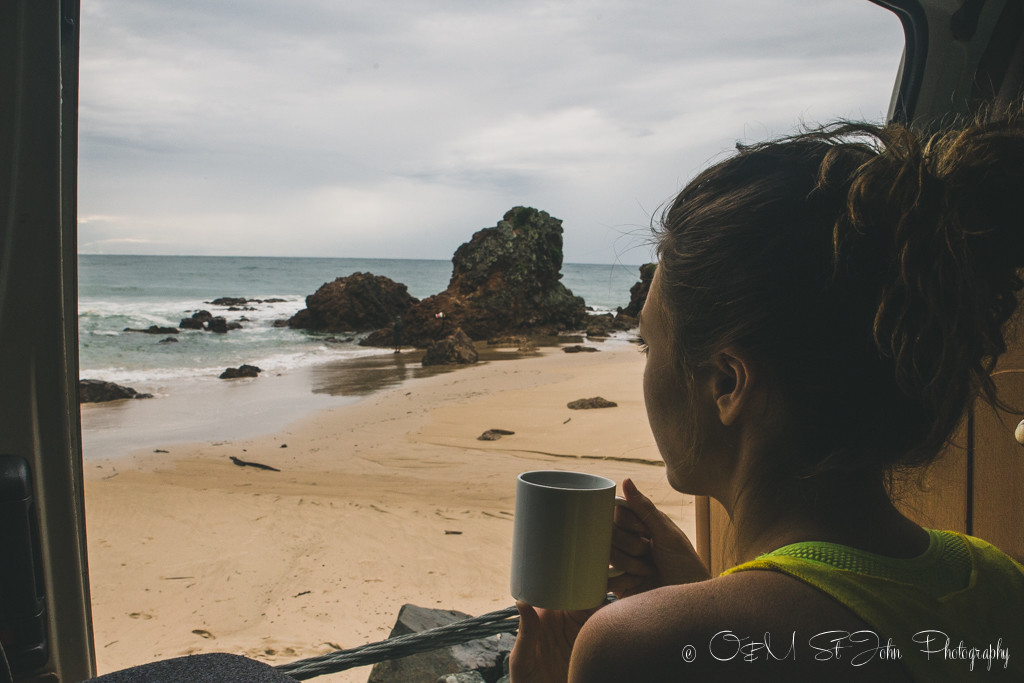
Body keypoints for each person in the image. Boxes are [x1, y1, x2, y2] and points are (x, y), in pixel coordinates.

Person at [510, 114, 1024, 681]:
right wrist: (705, 593)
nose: (647, 366)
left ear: (728, 384)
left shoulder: (638, 645)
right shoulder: (999, 581)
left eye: (647, 345)